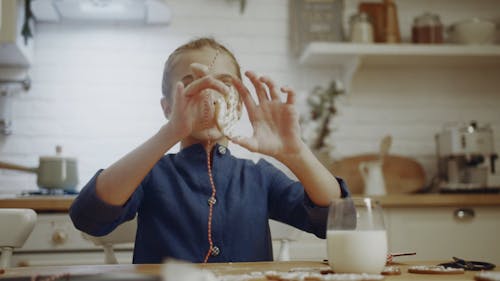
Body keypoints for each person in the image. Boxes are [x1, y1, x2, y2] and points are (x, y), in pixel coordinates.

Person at [69, 37, 350, 264]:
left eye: (224, 85)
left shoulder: (259, 177)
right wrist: (168, 134)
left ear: (237, 106)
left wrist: (296, 153)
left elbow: (339, 222)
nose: (209, 95)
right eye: (191, 85)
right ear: (168, 108)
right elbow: (88, 216)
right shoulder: (152, 173)